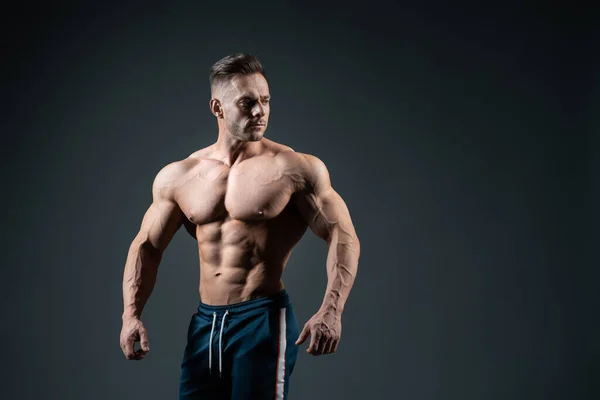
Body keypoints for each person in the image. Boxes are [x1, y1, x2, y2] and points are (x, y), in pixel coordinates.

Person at [119, 53, 361, 399]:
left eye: (265, 101)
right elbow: (147, 246)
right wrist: (131, 316)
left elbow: (343, 234)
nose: (260, 111)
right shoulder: (180, 176)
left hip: (261, 319)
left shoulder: (295, 168)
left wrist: (331, 310)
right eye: (247, 103)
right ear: (217, 108)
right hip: (205, 325)